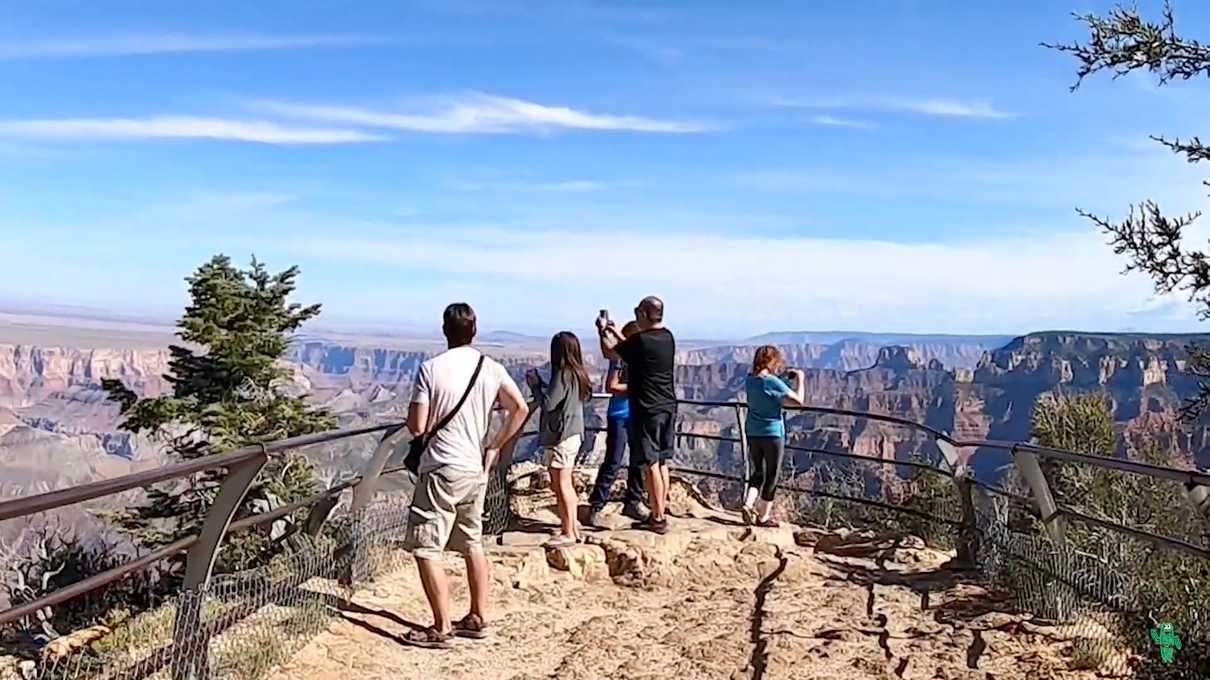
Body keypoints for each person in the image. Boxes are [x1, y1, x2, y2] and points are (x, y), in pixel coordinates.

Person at [402, 303, 529, 649]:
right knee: (472, 542)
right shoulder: (491, 367)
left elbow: (417, 425)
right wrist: (496, 447)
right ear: (474, 331)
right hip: (476, 469)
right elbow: (520, 408)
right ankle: (477, 617)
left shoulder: (430, 369)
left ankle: (441, 626)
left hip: (442, 467)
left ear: (445, 330)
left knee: (427, 547)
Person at [597, 296, 676, 535]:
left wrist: (603, 331)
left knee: (650, 462)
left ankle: (658, 518)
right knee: (662, 462)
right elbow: (631, 348)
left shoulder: (641, 342)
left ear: (643, 313)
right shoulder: (667, 337)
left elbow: (615, 352)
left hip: (648, 408)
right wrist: (616, 331)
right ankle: (659, 511)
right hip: (668, 405)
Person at [526, 332, 592, 547]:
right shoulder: (578, 373)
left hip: (561, 436)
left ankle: (568, 532)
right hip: (574, 433)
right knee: (566, 482)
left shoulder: (563, 374)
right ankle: (572, 525)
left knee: (561, 483)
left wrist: (536, 385)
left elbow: (549, 404)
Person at [586, 321, 649, 527]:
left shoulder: (641, 359)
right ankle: (597, 505)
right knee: (613, 460)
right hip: (620, 415)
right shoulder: (620, 359)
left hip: (638, 414)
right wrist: (637, 388)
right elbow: (611, 385)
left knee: (638, 461)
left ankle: (634, 501)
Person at [742, 345, 806, 527]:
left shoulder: (750, 380)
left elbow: (766, 387)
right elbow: (798, 402)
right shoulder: (772, 381)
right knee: (772, 475)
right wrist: (801, 379)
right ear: (772, 361)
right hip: (772, 434)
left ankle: (748, 503)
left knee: (757, 472)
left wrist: (782, 379)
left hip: (753, 432)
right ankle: (762, 518)